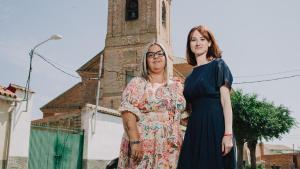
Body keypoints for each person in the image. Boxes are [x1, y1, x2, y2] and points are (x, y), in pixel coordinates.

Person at [117, 42, 186, 169]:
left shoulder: (177, 86)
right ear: (145, 59)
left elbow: (185, 115)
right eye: (151, 54)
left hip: (170, 148)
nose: (156, 57)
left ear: (166, 58)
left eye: (160, 53)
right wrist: (135, 141)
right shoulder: (137, 83)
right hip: (142, 146)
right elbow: (127, 112)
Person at [177, 25, 236, 169]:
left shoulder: (218, 65)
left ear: (209, 43)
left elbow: (226, 101)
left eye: (202, 39)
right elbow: (188, 108)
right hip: (194, 129)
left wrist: (228, 134)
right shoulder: (189, 77)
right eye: (193, 40)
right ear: (189, 45)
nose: (198, 43)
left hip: (215, 125)